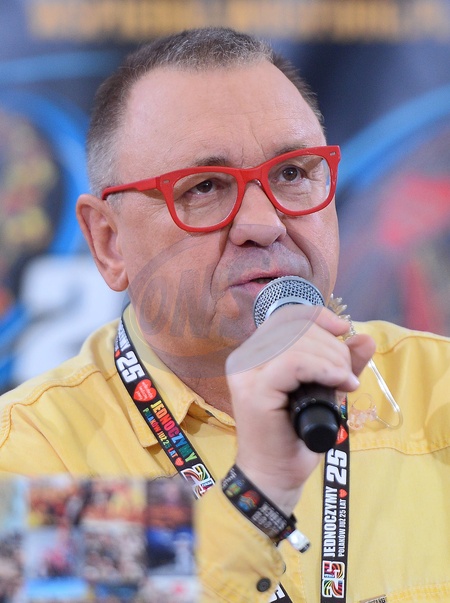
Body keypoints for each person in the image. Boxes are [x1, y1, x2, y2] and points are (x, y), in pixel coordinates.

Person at [0, 27, 449, 602]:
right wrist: (255, 494)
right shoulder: (30, 454)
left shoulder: (437, 391)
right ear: (109, 242)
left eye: (292, 173)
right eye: (205, 187)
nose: (264, 224)